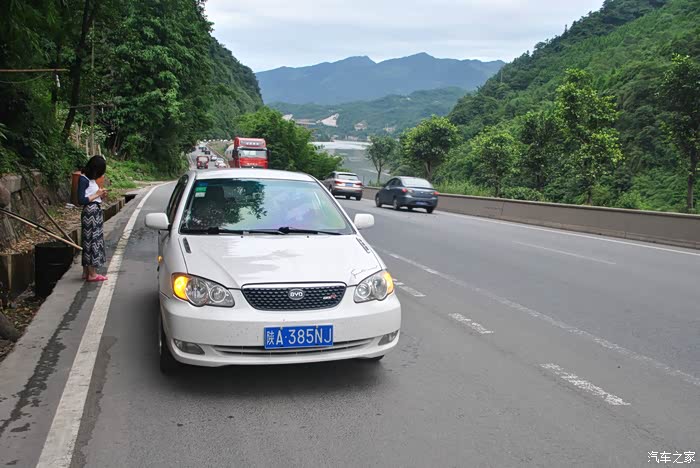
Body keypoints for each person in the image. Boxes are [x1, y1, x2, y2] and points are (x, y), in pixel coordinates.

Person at [77, 156, 108, 282]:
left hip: (95, 210)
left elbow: (92, 195)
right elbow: (81, 200)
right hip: (91, 213)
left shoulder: (91, 179)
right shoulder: (83, 179)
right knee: (92, 241)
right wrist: (97, 194)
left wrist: (101, 195)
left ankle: (86, 272)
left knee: (90, 240)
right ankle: (92, 274)